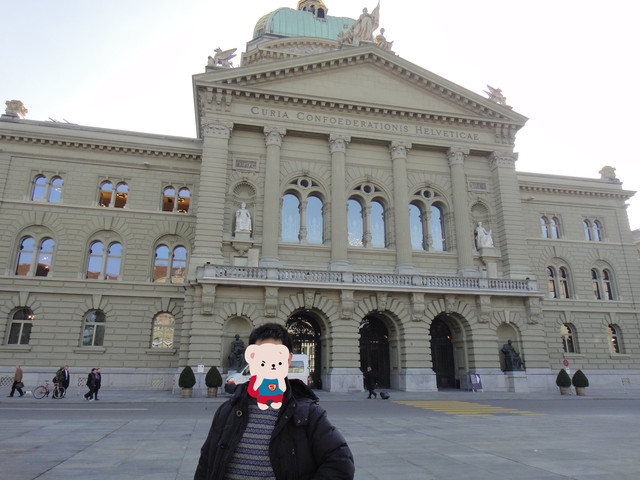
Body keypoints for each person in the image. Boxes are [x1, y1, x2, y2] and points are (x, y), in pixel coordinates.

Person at [195, 323, 354, 480]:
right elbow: (206, 463)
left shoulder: (308, 414)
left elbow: (340, 464)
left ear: (288, 360)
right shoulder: (227, 411)